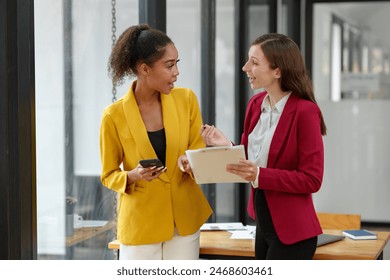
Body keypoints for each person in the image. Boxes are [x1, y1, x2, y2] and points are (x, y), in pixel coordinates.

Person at [200, 33, 327, 260]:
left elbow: (312, 179)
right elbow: (252, 159)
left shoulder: (305, 112)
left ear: (277, 71)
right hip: (263, 224)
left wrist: (260, 174)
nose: (245, 67)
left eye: (254, 62)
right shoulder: (256, 104)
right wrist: (227, 144)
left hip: (294, 233)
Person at [99, 24, 212, 260]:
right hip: (141, 223)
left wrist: (189, 162)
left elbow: (198, 151)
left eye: (177, 63)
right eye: (169, 65)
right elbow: (108, 174)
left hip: (183, 220)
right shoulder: (113, 116)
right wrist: (133, 175)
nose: (176, 72)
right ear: (144, 69)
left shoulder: (187, 100)